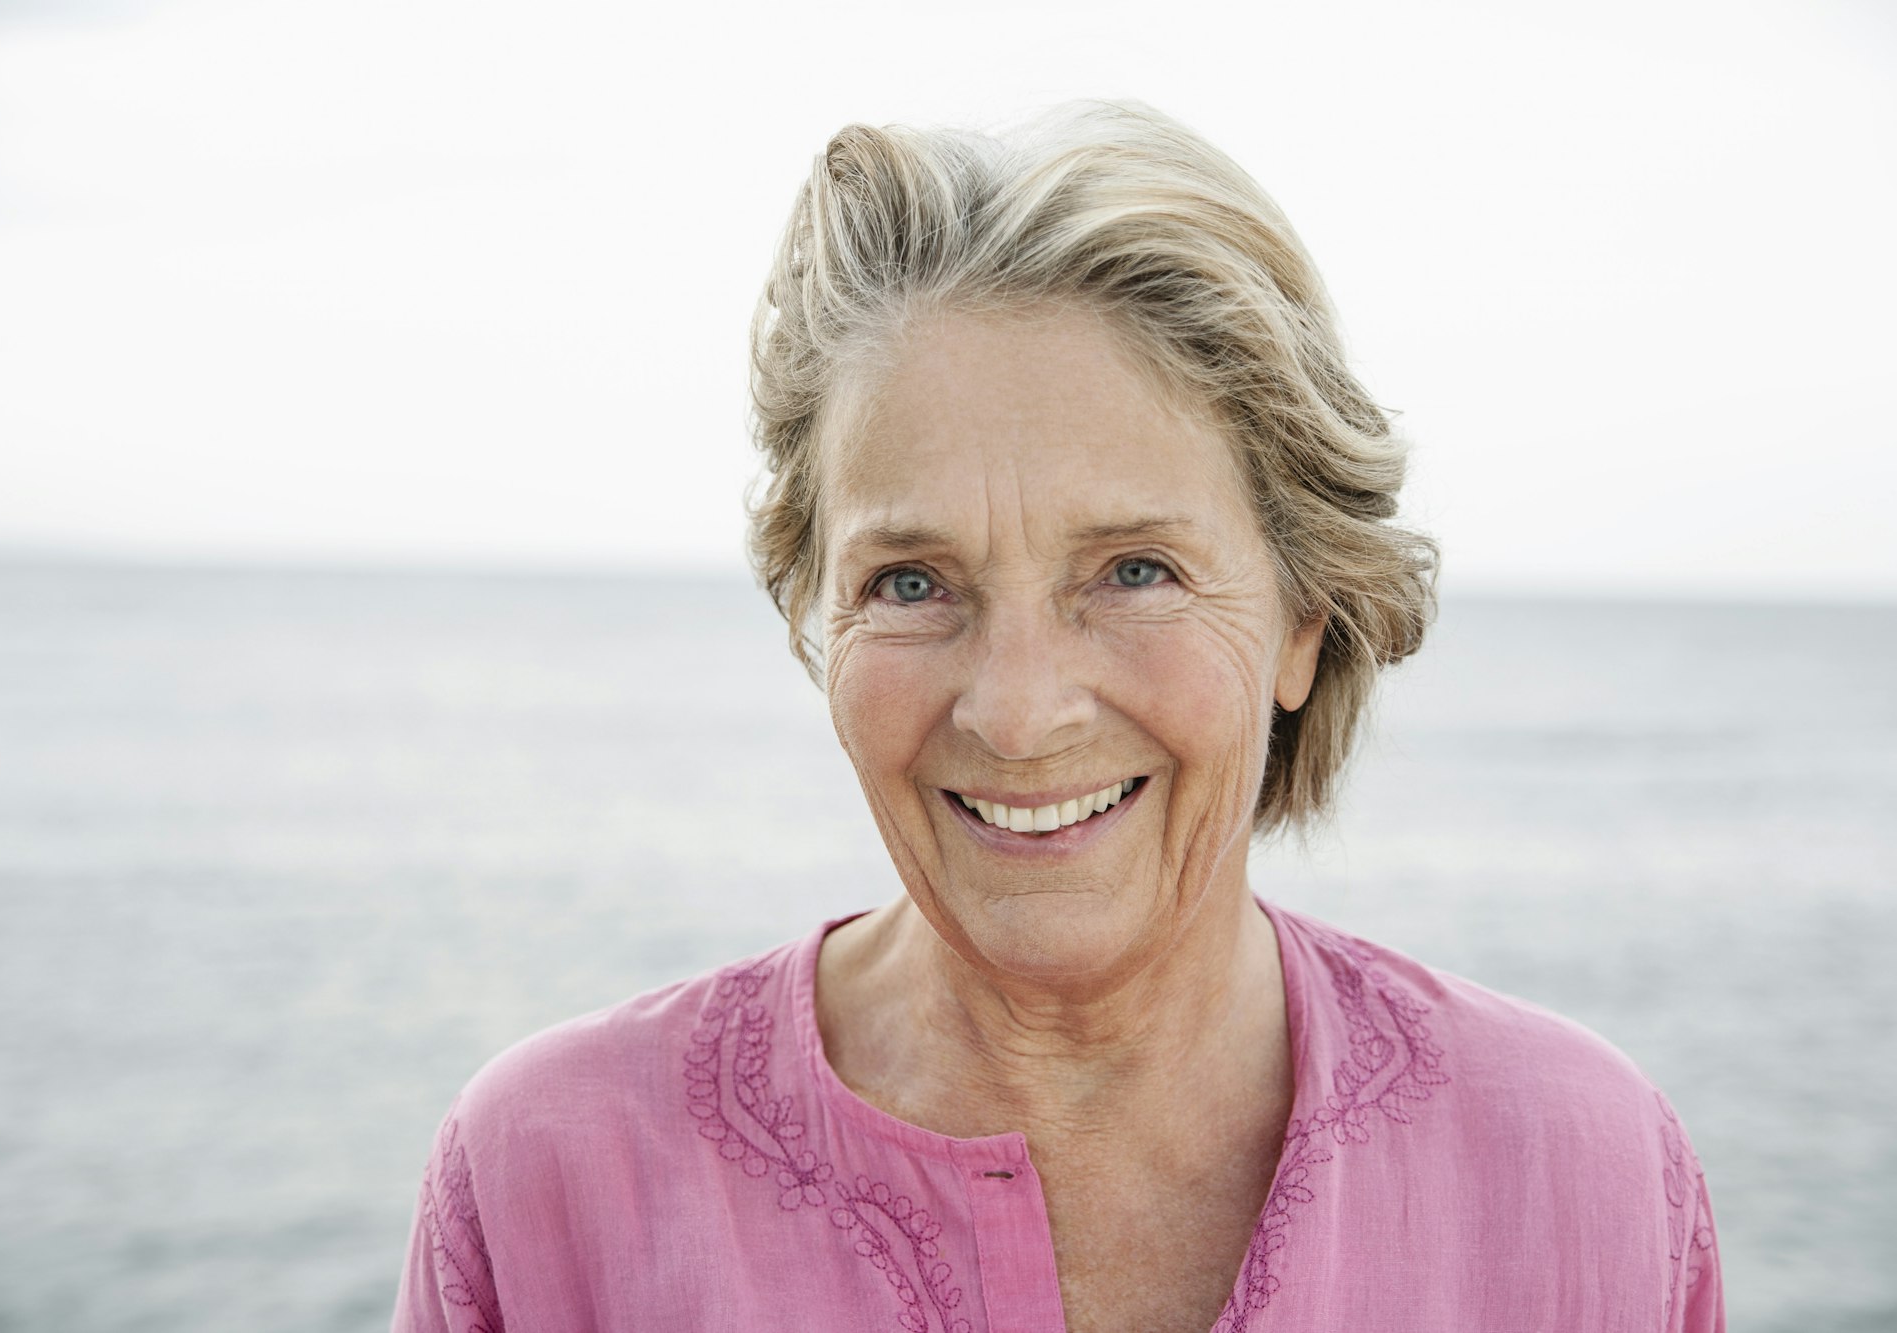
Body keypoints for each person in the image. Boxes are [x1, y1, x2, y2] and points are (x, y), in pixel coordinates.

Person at [392, 102, 1725, 1332]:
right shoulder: (548, 1189)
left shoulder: (1584, 1179)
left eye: (1134, 570)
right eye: (911, 582)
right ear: (817, 620)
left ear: (1305, 618)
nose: (1020, 714)